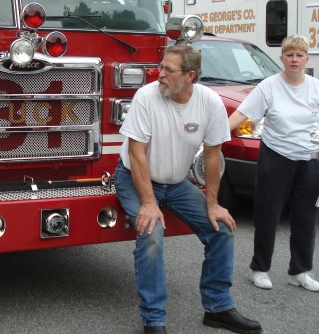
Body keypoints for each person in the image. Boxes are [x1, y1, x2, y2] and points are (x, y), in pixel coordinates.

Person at [114, 44, 262, 334]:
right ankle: (154, 320)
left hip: (176, 183)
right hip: (135, 179)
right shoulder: (146, 96)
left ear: (190, 75)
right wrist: (148, 203)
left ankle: (218, 308)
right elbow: (137, 153)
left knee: (222, 228)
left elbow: (211, 156)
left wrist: (213, 203)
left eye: (169, 70)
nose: (160, 74)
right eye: (161, 66)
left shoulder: (210, 102)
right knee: (151, 233)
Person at [228, 34, 319, 292]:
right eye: (289, 55)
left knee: (306, 216)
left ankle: (300, 270)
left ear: (306, 59)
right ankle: (260, 268)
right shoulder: (269, 86)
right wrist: (217, 133)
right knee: (268, 214)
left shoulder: (315, 86)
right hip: (276, 156)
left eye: (299, 55)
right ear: (281, 59)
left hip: (310, 160)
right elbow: (242, 114)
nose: (294, 60)